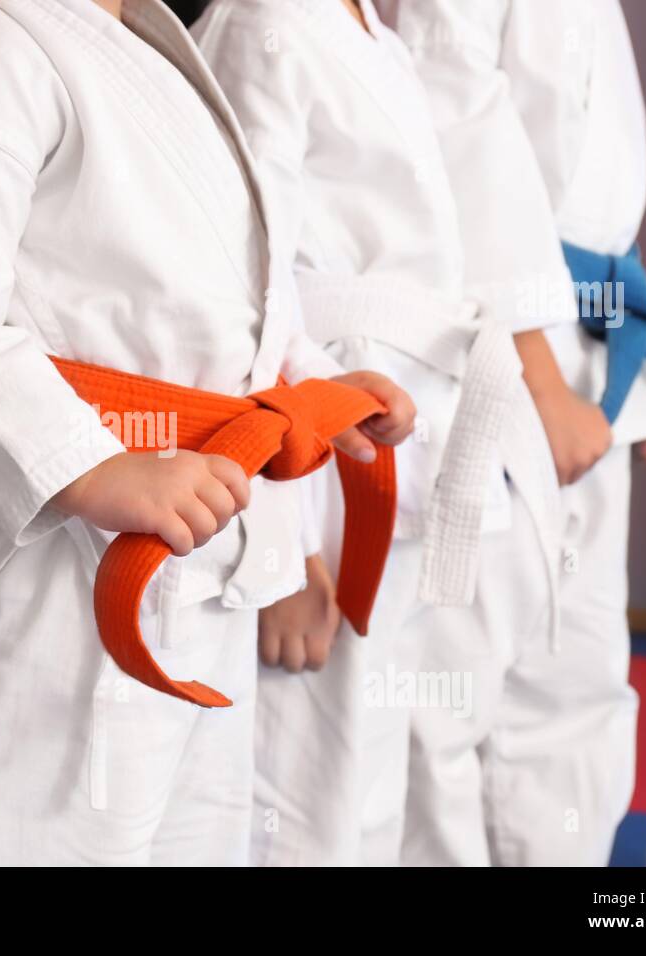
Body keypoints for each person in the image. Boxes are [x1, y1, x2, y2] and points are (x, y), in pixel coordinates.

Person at [0, 0, 415, 865]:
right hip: (66, 572)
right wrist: (91, 468)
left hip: (198, 550)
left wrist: (308, 385)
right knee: (44, 842)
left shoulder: (149, 45)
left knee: (198, 842)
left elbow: (223, 295)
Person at [194, 0, 560, 866]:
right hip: (315, 464)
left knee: (369, 786)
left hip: (395, 431)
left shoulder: (370, 32)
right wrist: (282, 549)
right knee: (303, 786)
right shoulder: (262, 25)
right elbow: (250, 286)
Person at [388, 0, 646, 865]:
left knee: (582, 679)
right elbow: (456, 128)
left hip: (586, 356)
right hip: (498, 355)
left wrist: (637, 369)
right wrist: (540, 371)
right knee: (458, 689)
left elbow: (594, 214)